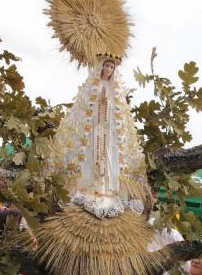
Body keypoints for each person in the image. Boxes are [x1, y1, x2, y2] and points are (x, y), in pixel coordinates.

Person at [47, 54, 148, 219]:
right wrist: (99, 102)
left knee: (107, 157)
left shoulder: (115, 88)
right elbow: (85, 108)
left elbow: (119, 114)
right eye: (107, 66)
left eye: (112, 67)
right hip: (93, 130)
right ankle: (89, 185)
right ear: (101, 67)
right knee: (91, 156)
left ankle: (106, 188)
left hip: (108, 131)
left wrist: (108, 103)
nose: (108, 69)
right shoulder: (93, 85)